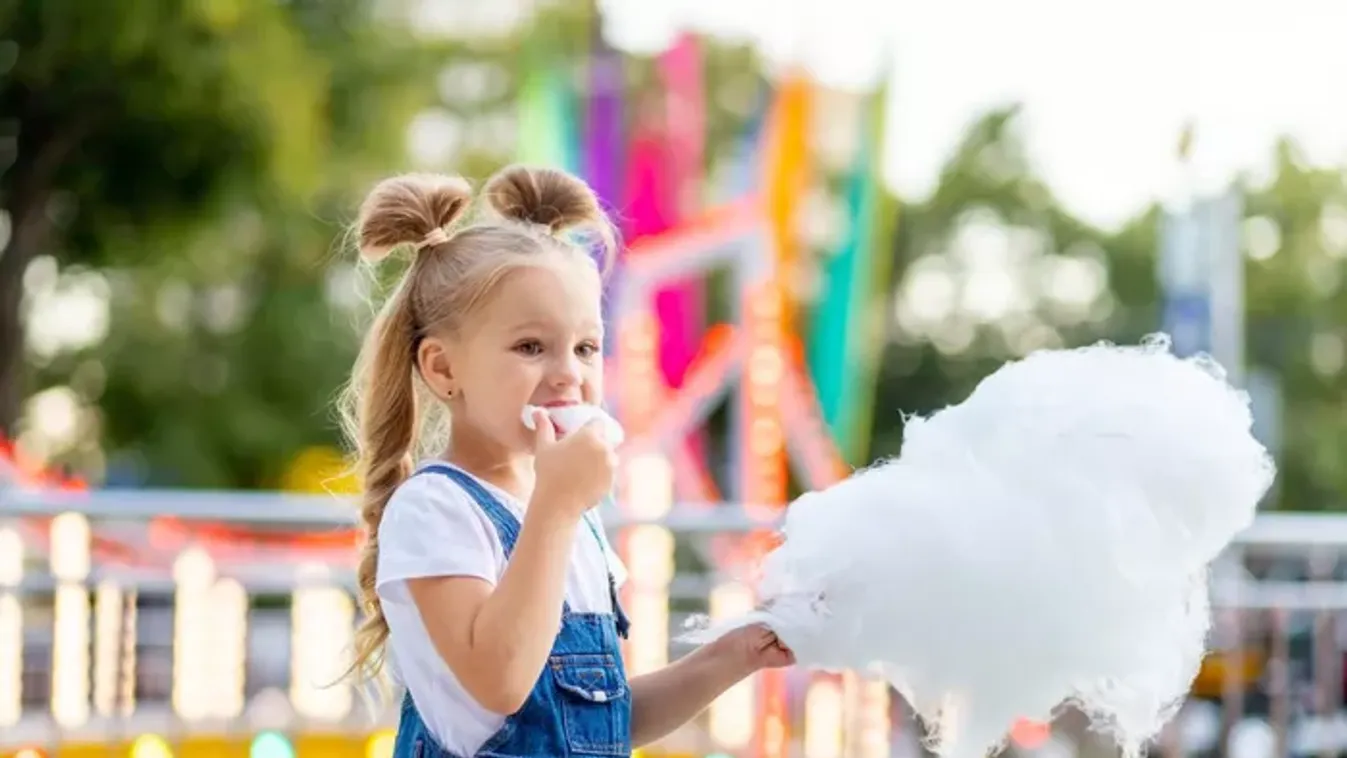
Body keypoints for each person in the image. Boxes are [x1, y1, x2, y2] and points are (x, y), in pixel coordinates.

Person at [338, 164, 793, 757]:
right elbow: (501, 680)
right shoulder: (435, 508)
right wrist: (554, 506)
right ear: (444, 369)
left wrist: (735, 653)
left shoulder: (571, 516)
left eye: (585, 348)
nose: (568, 375)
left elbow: (604, 721)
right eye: (531, 347)